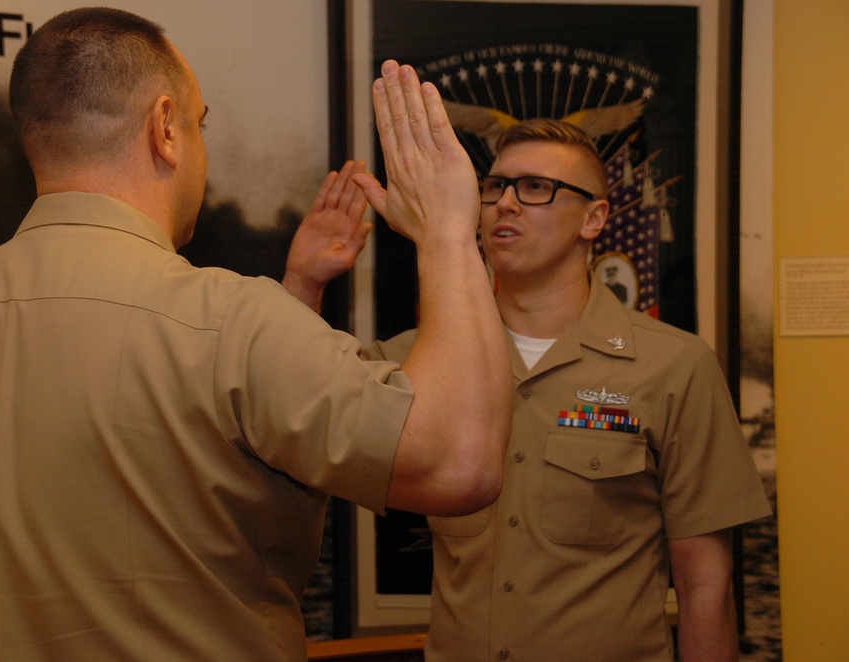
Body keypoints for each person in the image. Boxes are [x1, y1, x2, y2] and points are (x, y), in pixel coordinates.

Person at [0, 8, 512, 661]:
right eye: (200, 125)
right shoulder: (225, 320)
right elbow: (456, 463)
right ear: (165, 127)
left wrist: (300, 290)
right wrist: (448, 231)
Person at [284, 117, 772, 661]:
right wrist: (305, 281)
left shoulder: (675, 367)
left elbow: (706, 587)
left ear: (595, 218)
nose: (505, 204)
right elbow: (292, 411)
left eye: (536, 188)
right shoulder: (420, 359)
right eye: (495, 187)